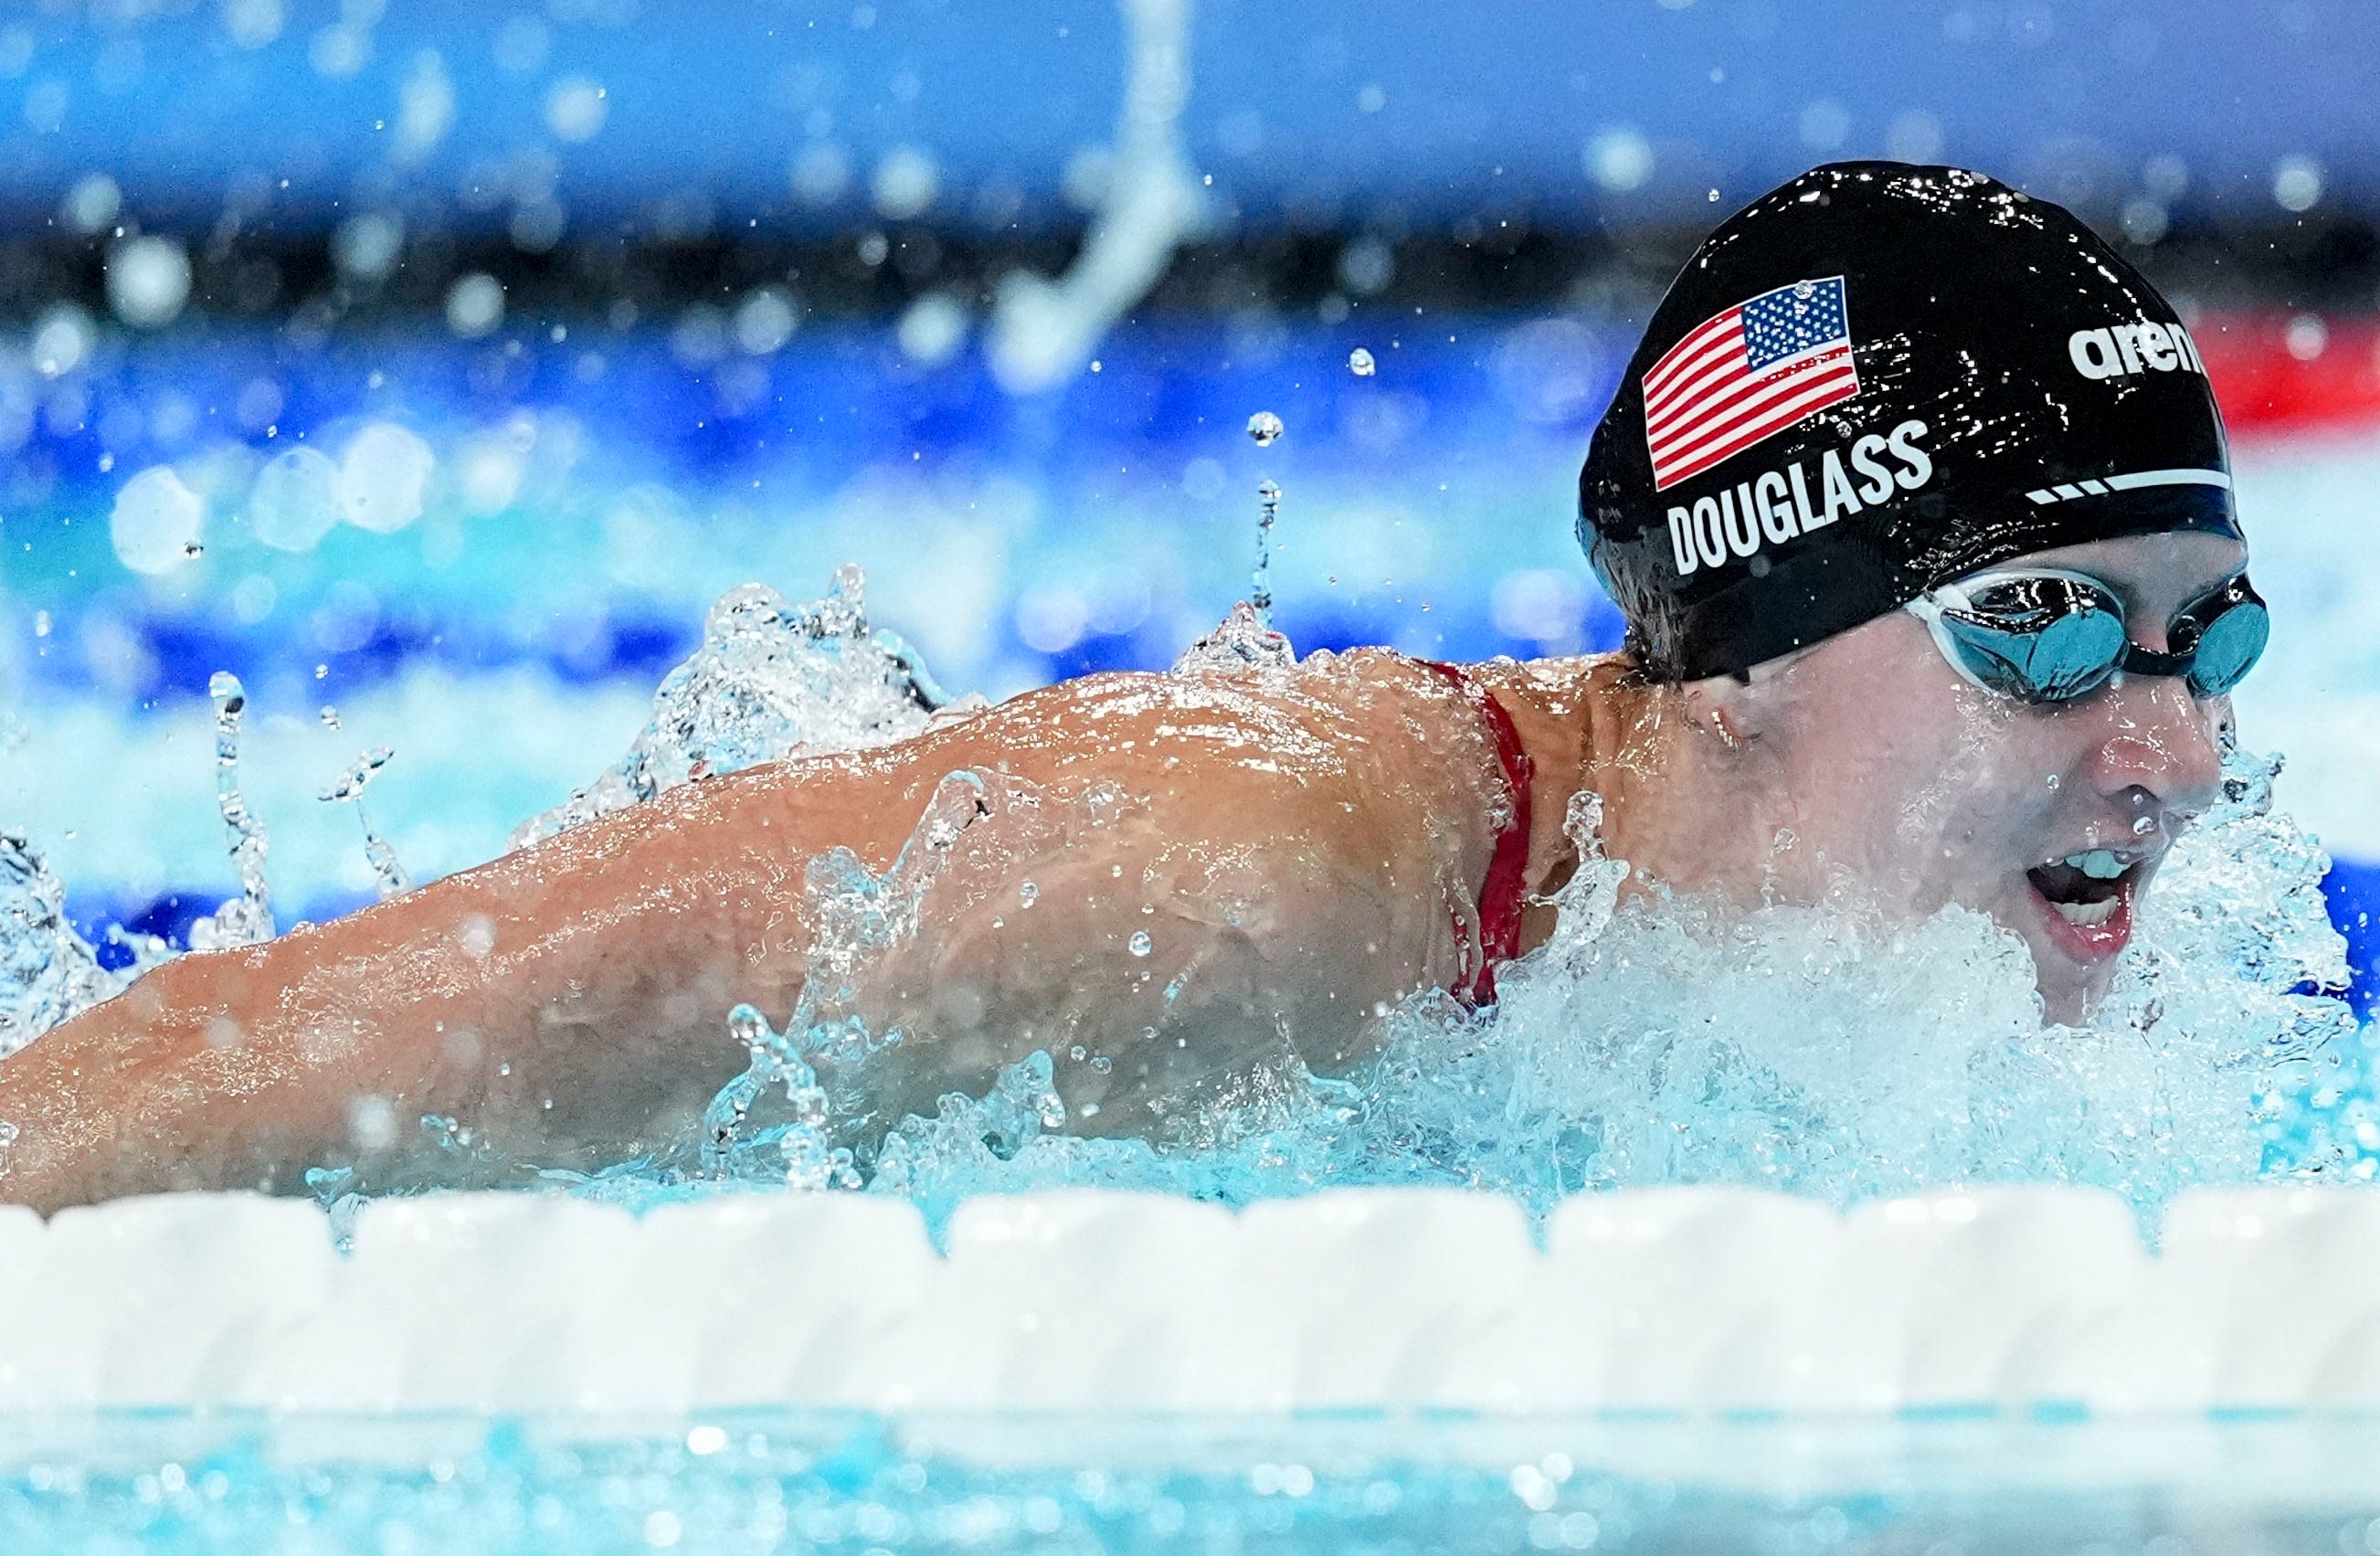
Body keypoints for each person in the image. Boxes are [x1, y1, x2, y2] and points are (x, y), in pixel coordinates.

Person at [0, 163, 2263, 1211]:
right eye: (2044, 626)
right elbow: (465, 1024)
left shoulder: (1938, 993)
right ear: (1745, 652)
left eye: (2200, 632)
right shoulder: (1246, 882)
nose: (2163, 747)